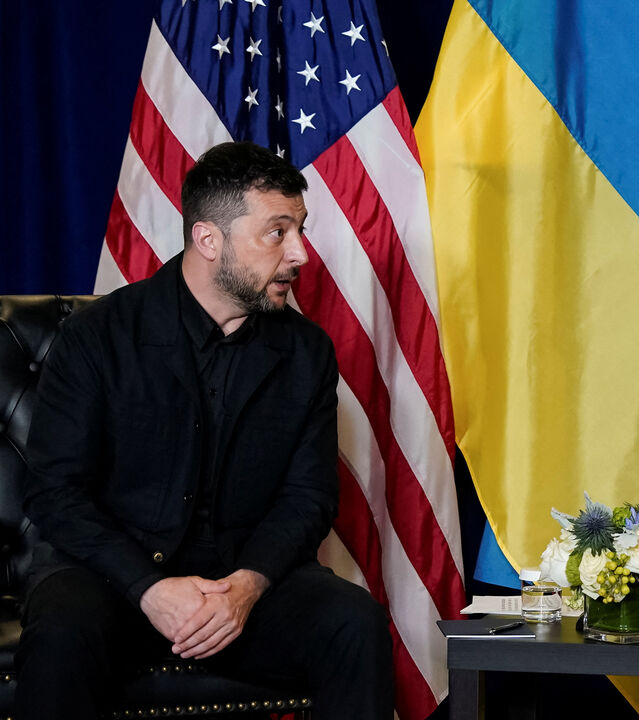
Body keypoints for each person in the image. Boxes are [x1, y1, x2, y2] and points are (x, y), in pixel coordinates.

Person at [17, 141, 393, 718]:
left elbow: (309, 497)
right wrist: (148, 588)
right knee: (62, 627)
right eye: (277, 232)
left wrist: (248, 585)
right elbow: (56, 493)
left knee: (353, 622)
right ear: (209, 240)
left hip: (241, 588)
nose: (299, 254)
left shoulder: (307, 351)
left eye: (300, 230)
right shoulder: (97, 338)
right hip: (109, 582)